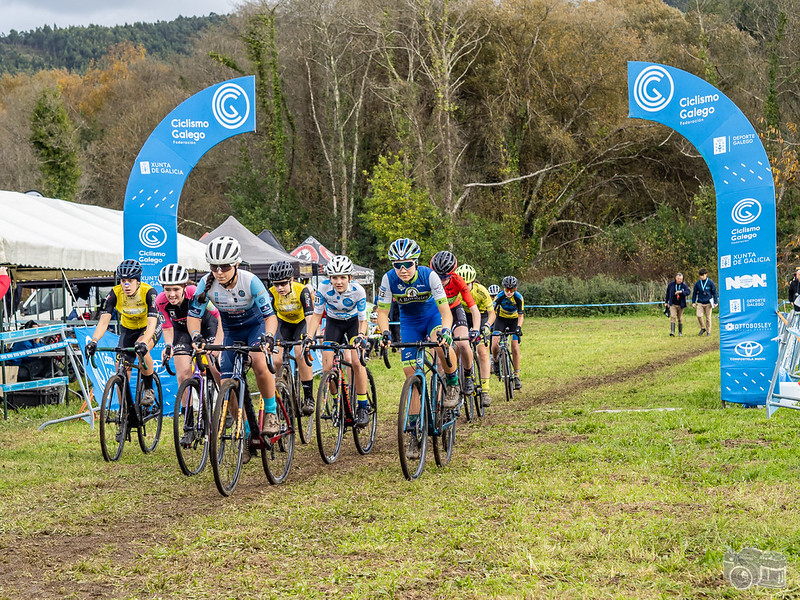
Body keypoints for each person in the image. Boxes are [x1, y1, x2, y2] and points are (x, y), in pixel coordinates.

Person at [187, 236, 280, 440]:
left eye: (225, 266)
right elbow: (193, 317)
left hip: (255, 327)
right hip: (231, 331)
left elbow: (270, 317)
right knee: (226, 384)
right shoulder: (205, 283)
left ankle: (271, 412)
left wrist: (269, 337)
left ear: (236, 264)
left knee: (259, 362)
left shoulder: (250, 281)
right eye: (214, 266)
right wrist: (196, 336)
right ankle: (246, 429)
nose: (219, 272)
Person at [376, 238, 459, 460]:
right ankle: (414, 433)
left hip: (432, 317)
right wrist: (385, 333)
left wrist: (446, 331)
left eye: (407, 264)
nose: (402, 269)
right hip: (410, 323)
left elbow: (445, 311)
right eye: (397, 265)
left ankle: (453, 382)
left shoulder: (429, 276)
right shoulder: (388, 279)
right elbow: (382, 313)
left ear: (416, 263)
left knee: (440, 343)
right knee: (410, 376)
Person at [155, 263, 222, 446]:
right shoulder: (160, 301)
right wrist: (168, 346)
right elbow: (167, 328)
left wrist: (217, 341)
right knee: (183, 375)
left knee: (214, 366)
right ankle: (189, 426)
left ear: (185, 287)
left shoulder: (195, 292)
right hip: (182, 332)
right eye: (167, 289)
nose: (171, 294)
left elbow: (218, 315)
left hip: (206, 326)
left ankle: (226, 403)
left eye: (176, 289)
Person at [304, 255, 371, 427]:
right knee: (327, 368)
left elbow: (363, 320)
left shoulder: (358, 291)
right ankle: (336, 402)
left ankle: (363, 406)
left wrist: (361, 336)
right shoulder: (323, 288)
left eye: (342, 277)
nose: (338, 281)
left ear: (350, 277)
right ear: (330, 278)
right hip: (334, 323)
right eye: (334, 277)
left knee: (357, 362)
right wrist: (309, 337)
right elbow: (316, 315)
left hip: (354, 323)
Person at [85, 259, 161, 408]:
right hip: (128, 329)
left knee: (141, 350)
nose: (126, 285)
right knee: (120, 370)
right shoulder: (114, 293)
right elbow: (103, 322)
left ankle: (148, 389)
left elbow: (152, 324)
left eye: (130, 281)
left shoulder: (149, 292)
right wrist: (94, 341)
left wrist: (144, 343)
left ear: (138, 281)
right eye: (123, 281)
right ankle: (124, 412)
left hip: (148, 327)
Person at [267, 260, 315, 416]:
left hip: (301, 322)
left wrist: (309, 336)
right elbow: (268, 317)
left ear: (291, 280)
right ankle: (281, 390)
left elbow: (310, 316)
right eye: (276, 284)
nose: (280, 288)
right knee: (276, 359)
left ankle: (308, 397)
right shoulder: (271, 293)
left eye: (283, 283)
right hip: (283, 324)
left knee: (300, 351)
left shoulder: (302, 290)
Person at [455, 263, 496, 407]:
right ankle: (457, 380)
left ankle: (485, 390)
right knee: (457, 346)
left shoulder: (481, 291)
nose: (464, 287)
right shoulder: (455, 290)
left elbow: (492, 313)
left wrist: (487, 326)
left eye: (467, 284)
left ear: (472, 282)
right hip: (463, 316)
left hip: (481, 316)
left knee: (482, 351)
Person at [491, 275, 524, 390]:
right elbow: (492, 312)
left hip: (514, 321)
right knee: (494, 343)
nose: (509, 292)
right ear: (503, 288)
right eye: (506, 289)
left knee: (515, 346)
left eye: (511, 289)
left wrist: (519, 327)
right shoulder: (499, 297)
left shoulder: (519, 298)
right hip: (501, 320)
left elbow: (521, 315)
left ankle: (516, 376)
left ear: (515, 289)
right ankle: (495, 362)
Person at [691, 268, 718, 337]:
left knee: (708, 318)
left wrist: (715, 302)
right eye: (700, 276)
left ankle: (708, 331)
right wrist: (693, 302)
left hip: (708, 303)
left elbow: (714, 293)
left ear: (706, 274)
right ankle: (703, 328)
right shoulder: (698, 283)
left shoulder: (710, 282)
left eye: (703, 275)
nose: (701, 277)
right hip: (700, 302)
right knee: (699, 315)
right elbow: (694, 293)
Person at [665, 272, 691, 337]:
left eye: (681, 279)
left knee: (680, 318)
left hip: (681, 305)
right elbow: (667, 293)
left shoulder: (684, 285)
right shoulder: (671, 285)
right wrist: (666, 302)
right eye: (678, 279)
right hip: (673, 304)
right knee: (673, 316)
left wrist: (681, 292)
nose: (680, 280)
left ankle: (680, 332)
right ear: (676, 278)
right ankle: (672, 332)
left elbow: (688, 292)